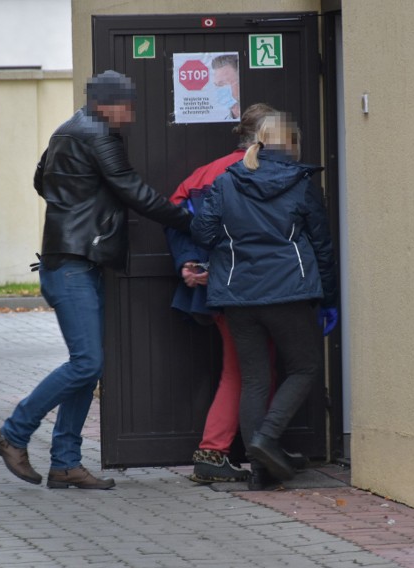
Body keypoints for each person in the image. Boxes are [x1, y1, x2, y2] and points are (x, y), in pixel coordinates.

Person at [0, 70, 192, 490]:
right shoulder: (96, 135)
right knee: (87, 363)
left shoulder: (68, 130)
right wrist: (189, 222)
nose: (131, 114)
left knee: (86, 367)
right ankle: (13, 432)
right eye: (127, 105)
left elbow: (40, 181)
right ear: (106, 103)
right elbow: (134, 191)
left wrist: (80, 204)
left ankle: (65, 463)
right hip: (72, 266)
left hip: (75, 260)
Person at [190, 111, 338, 488]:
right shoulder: (301, 182)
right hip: (289, 291)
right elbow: (321, 245)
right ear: (291, 144)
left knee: (254, 379)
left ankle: (261, 473)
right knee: (305, 368)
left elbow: (203, 233)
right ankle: (266, 440)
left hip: (238, 295)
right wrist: (329, 298)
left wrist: (234, 243)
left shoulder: (226, 181)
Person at [165, 103, 276, 484]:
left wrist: (189, 260)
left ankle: (223, 450)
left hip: (219, 289)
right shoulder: (262, 172)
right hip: (254, 288)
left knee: (243, 370)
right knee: (249, 371)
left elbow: (176, 211)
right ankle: (223, 451)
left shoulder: (204, 174)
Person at [211, 54, 240, 120]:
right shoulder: (224, 121)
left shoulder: (258, 120)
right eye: (216, 85)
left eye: (223, 83)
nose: (219, 89)